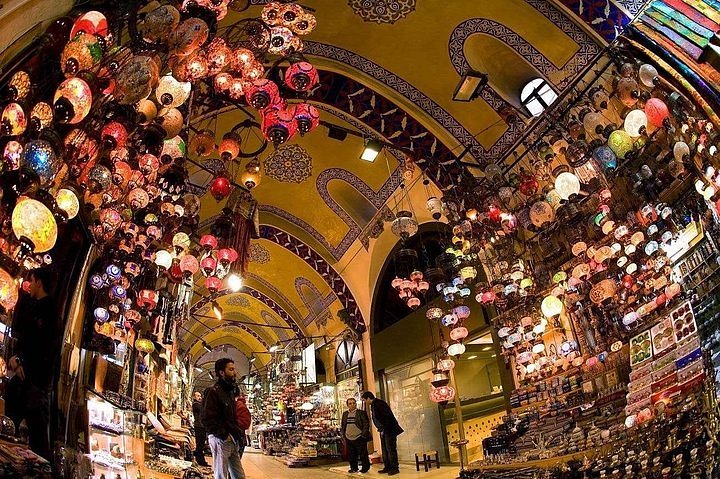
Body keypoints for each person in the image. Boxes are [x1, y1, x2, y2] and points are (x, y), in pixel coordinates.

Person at [10, 269, 57, 460]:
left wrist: (21, 361)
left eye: (32, 282)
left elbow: (40, 345)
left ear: (38, 282)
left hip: (34, 380)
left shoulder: (47, 311)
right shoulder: (39, 306)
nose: (29, 286)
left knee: (36, 435)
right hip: (30, 379)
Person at [202, 358, 246, 479]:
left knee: (239, 475)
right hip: (220, 439)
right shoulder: (213, 391)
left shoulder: (229, 392)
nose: (234, 373)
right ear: (221, 372)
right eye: (231, 369)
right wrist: (223, 435)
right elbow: (206, 418)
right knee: (221, 475)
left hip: (231, 439)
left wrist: (234, 434)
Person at [362, 391, 404, 476]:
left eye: (365, 400)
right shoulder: (374, 405)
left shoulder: (379, 404)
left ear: (368, 398)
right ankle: (387, 467)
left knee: (390, 449)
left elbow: (387, 417)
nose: (365, 402)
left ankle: (394, 468)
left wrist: (384, 429)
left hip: (389, 430)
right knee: (385, 450)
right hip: (383, 430)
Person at [341, 397, 371, 474]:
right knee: (351, 454)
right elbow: (343, 425)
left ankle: (365, 468)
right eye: (350, 403)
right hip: (348, 437)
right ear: (347, 405)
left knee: (363, 454)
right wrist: (343, 435)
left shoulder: (361, 413)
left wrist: (363, 435)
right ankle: (353, 468)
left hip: (359, 437)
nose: (352, 405)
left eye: (354, 403)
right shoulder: (345, 414)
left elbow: (366, 424)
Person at [192, 391, 209, 466]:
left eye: (200, 396)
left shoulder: (200, 404)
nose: (199, 397)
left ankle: (200, 460)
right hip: (199, 427)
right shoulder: (196, 405)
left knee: (201, 444)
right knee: (200, 444)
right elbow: (204, 410)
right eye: (197, 396)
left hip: (202, 427)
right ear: (194, 397)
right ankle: (200, 461)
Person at [233, 392, 251, 458]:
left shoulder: (238, 405)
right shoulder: (241, 405)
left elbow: (244, 423)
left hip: (236, 435)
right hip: (239, 435)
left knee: (234, 461)